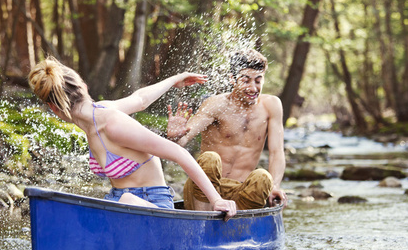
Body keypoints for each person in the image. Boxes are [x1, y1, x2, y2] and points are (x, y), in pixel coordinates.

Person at [28, 57, 237, 220]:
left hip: (152, 206)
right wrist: (175, 80)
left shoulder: (111, 123)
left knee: (125, 200)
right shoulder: (97, 116)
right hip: (119, 202)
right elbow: (140, 100)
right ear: (83, 85)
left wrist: (216, 200)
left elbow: (179, 153)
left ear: (53, 109)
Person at [166, 48, 288, 210]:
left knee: (264, 177)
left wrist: (275, 187)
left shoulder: (271, 106)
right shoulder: (217, 105)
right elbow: (182, 141)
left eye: (258, 81)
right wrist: (174, 136)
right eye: (245, 81)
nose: (253, 88)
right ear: (232, 79)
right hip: (205, 190)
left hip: (242, 192)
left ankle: (237, 221)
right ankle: (204, 221)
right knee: (210, 158)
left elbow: (277, 152)